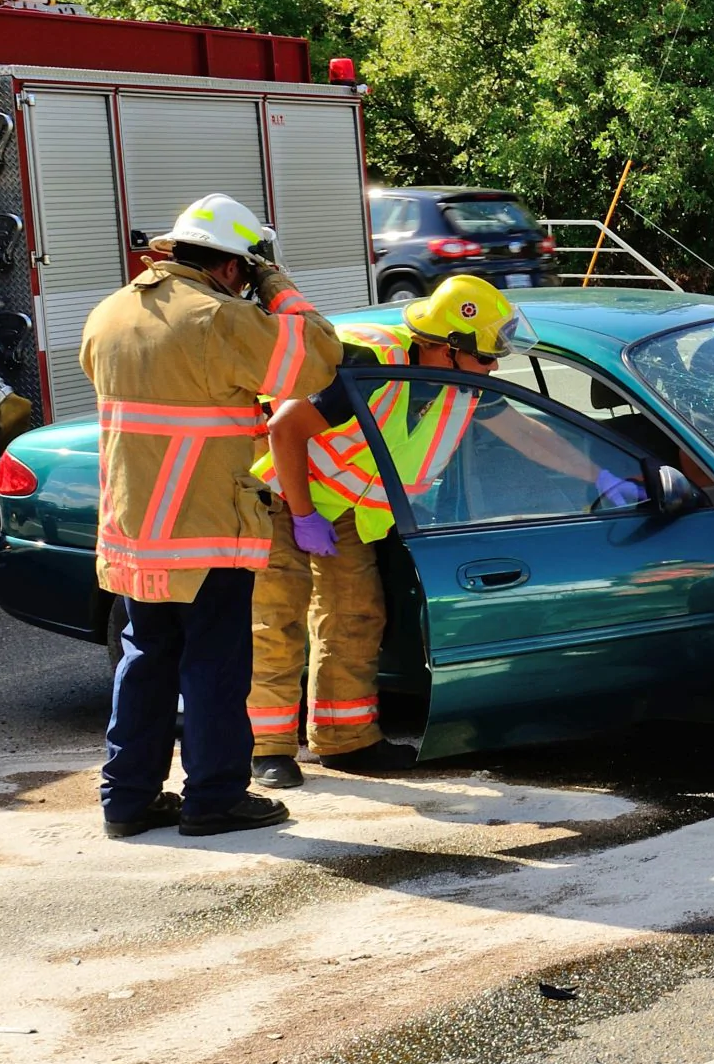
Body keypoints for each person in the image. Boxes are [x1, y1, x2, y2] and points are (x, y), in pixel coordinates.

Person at [249, 275, 645, 788]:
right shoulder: (367, 365)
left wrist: (602, 476)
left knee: (355, 614)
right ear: (448, 348)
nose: (493, 368)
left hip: (341, 509)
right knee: (277, 620)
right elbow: (284, 429)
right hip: (283, 494)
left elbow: (526, 432)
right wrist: (303, 515)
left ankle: (344, 741)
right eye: (485, 358)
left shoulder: (462, 386)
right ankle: (266, 751)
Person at [80, 194, 339, 838]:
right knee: (215, 666)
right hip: (205, 529)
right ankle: (215, 797)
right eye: (246, 268)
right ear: (231, 266)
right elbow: (317, 353)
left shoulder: (109, 314)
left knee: (143, 661)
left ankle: (127, 799)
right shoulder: (218, 320)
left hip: (136, 532)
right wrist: (274, 281)